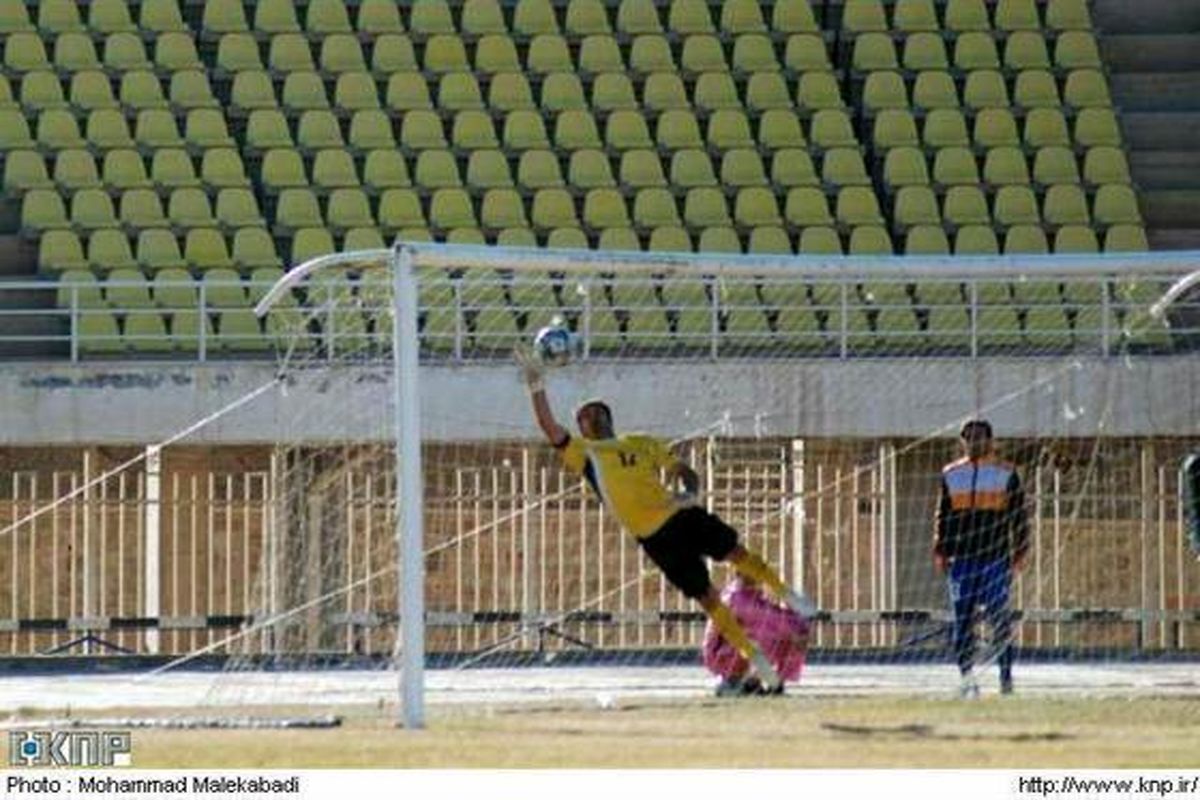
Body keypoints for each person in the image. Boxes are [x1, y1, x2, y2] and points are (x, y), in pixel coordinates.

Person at [517, 349, 816, 693]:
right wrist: (536, 384)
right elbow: (549, 426)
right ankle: (754, 659)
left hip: (678, 513)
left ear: (608, 416)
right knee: (707, 597)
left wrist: (690, 491)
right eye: (583, 415)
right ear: (581, 426)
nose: (590, 416)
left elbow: (681, 470)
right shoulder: (584, 452)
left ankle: (788, 594)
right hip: (654, 538)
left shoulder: (639, 442)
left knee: (737, 553)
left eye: (595, 410)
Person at [933, 419, 1030, 698]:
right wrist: (940, 549)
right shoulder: (951, 474)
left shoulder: (1006, 473)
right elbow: (943, 515)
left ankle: (1006, 679)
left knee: (999, 619)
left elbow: (1018, 516)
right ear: (962, 442)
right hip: (962, 560)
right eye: (968, 438)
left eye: (979, 437)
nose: (974, 442)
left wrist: (1020, 551)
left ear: (990, 441)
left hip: (995, 559)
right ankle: (967, 679)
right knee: (962, 620)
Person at [702, 574, 810, 696]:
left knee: (788, 635)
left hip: (733, 651)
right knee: (776, 633)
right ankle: (739, 681)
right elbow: (778, 621)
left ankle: (761, 682)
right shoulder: (737, 597)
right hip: (721, 654)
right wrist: (787, 602)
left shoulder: (752, 594)